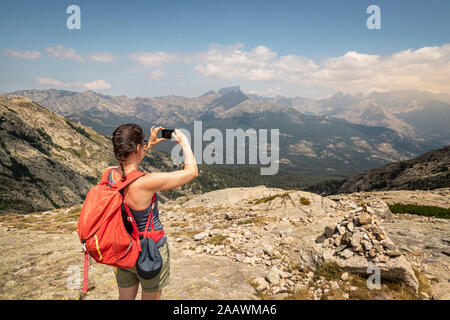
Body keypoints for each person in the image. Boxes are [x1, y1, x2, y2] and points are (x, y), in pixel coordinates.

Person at [106, 123, 198, 300]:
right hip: (150, 251)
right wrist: (184, 143)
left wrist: (148, 145)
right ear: (137, 147)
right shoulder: (145, 183)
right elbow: (192, 172)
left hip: (123, 249)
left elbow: (128, 165)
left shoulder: (108, 174)